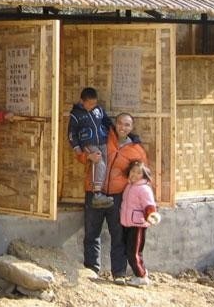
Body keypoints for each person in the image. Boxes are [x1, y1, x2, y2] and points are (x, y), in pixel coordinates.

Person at [77, 112, 148, 283]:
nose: (123, 127)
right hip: (95, 192)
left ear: (132, 127)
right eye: (120, 123)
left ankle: (119, 273)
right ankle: (91, 270)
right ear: (115, 124)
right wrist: (87, 157)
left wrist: (145, 203)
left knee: (118, 235)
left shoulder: (137, 151)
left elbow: (142, 176)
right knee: (91, 233)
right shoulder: (103, 137)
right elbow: (82, 152)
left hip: (118, 197)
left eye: (127, 125)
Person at [68, 87, 114, 209]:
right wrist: (78, 150)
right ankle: (96, 194)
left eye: (94, 103)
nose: (92, 106)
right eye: (90, 104)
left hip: (102, 142)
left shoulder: (98, 110)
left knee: (105, 164)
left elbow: (107, 122)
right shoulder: (75, 114)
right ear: (82, 101)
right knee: (99, 162)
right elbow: (71, 134)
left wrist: (114, 131)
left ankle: (101, 192)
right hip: (88, 143)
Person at [120, 160, 161, 287]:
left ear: (143, 175)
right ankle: (141, 272)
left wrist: (151, 215)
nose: (135, 174)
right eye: (133, 171)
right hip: (128, 223)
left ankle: (141, 277)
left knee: (134, 252)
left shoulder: (144, 189)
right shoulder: (129, 186)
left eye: (138, 173)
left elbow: (149, 205)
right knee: (131, 251)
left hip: (138, 225)